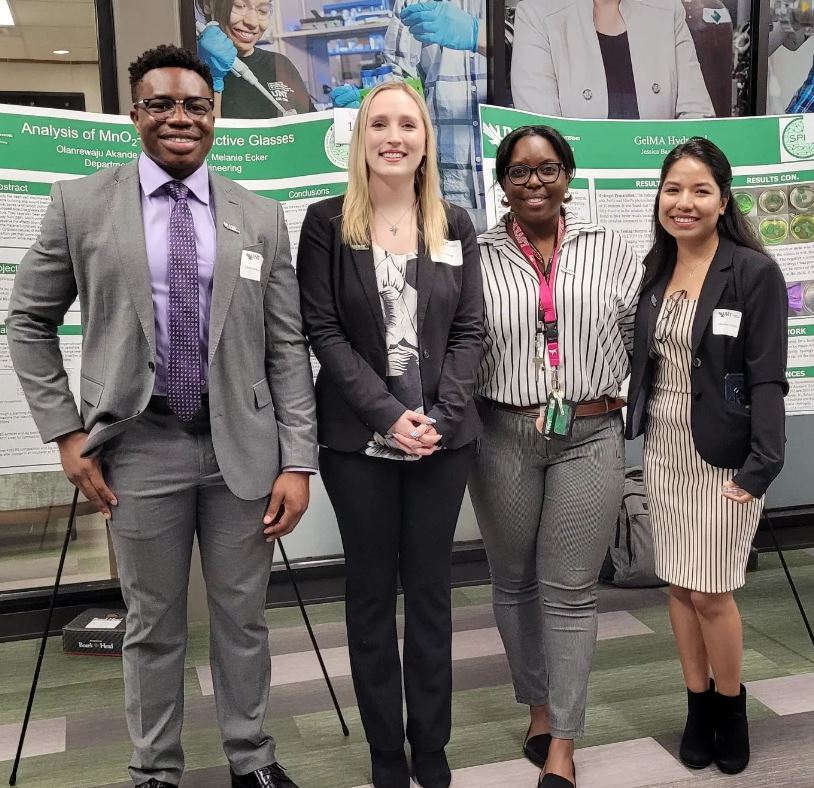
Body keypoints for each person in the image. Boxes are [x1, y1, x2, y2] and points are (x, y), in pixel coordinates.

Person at [6, 45, 316, 788]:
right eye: (161, 104)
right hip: (139, 448)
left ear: (214, 116)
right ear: (135, 113)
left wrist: (298, 459)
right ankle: (154, 769)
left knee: (243, 617)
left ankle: (251, 758)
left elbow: (286, 345)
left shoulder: (259, 215)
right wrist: (66, 433)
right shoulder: (81, 204)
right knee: (152, 622)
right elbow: (28, 320)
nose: (180, 118)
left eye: (195, 106)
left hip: (242, 448)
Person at [297, 81, 484, 788]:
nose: (394, 136)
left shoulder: (454, 224)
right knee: (371, 595)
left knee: (431, 593)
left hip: (442, 443)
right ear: (361, 138)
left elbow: (469, 330)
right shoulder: (326, 223)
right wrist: (387, 415)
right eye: (379, 124)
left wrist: (441, 416)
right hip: (359, 445)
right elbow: (323, 331)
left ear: (426, 139)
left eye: (408, 124)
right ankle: (385, 749)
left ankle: (430, 744)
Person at [469, 125, 641, 788]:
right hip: (501, 433)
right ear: (502, 183)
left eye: (547, 169)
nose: (534, 182)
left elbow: (642, 335)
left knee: (570, 592)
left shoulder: (609, 248)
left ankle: (564, 742)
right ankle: (538, 709)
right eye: (518, 171)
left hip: (590, 432)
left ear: (568, 175)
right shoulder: (476, 253)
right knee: (513, 583)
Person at [626, 138, 788, 776]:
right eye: (673, 189)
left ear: (723, 201)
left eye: (700, 190)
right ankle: (697, 705)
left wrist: (762, 466)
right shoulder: (656, 268)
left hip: (725, 457)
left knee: (712, 590)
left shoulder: (752, 272)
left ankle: (730, 707)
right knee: (678, 582)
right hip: (665, 448)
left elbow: (767, 376)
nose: (684, 202)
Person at [332, 0, 488, 230]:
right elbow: (400, 80)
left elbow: (541, 62)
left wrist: (483, 36)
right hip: (445, 191)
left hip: (516, 184)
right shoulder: (412, 2)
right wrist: (369, 104)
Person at [511, 0, 714, 120]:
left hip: (663, 178)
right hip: (573, 178)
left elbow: (697, 118)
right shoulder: (535, 14)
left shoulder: (668, 9)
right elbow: (541, 135)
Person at [196, 0, 314, 118]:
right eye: (239, 6)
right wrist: (212, 81)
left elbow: (312, 125)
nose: (253, 22)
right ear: (208, 4)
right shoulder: (192, 67)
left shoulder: (280, 64)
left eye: (263, 11)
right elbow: (206, 128)